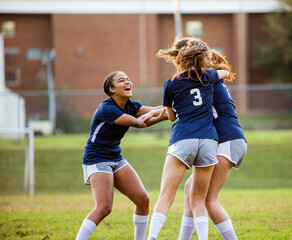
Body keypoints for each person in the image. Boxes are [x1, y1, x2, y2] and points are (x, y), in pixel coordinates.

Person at [146, 38, 229, 240]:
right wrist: (209, 68)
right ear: (199, 59)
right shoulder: (208, 77)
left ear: (179, 58)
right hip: (209, 141)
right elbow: (225, 72)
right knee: (198, 200)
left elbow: (172, 116)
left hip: (183, 139)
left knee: (166, 196)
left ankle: (152, 237)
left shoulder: (170, 84)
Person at [75, 71, 168, 240]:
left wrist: (176, 109)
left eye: (129, 79)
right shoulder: (107, 108)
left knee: (142, 200)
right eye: (121, 80)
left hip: (115, 157)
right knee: (104, 208)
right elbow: (139, 123)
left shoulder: (131, 106)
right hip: (97, 159)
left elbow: (156, 110)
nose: (128, 82)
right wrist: (165, 115)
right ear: (111, 89)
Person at [178, 50, 247, 240]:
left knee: (208, 199)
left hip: (228, 140)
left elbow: (181, 107)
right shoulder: (213, 84)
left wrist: (155, 114)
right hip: (230, 140)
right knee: (190, 188)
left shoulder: (209, 84)